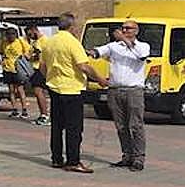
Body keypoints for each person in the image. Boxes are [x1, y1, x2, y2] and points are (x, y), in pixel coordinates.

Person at [39, 13, 107, 173]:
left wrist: (50, 77)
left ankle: (56, 159)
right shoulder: (72, 42)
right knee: (74, 128)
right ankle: (73, 161)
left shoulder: (49, 42)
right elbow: (84, 66)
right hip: (72, 89)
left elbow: (42, 67)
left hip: (54, 88)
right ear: (71, 26)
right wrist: (100, 79)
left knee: (57, 126)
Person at [87, 20, 150, 172]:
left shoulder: (143, 46)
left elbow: (141, 57)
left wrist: (124, 40)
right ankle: (127, 155)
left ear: (136, 30)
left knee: (135, 125)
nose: (124, 30)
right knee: (121, 126)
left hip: (133, 91)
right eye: (122, 28)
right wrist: (89, 52)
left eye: (128, 28)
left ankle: (138, 158)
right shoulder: (114, 46)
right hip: (115, 90)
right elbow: (98, 52)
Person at [0, 28, 29, 118]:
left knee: (20, 90)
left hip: (18, 69)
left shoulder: (20, 41)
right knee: (11, 90)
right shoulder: (4, 43)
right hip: (7, 69)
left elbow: (28, 51)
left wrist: (24, 58)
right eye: (8, 35)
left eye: (12, 34)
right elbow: (0, 52)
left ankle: (24, 110)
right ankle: (14, 109)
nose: (10, 36)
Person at [25, 25, 51, 125]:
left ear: (34, 30)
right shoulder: (35, 42)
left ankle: (44, 115)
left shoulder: (43, 40)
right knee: (38, 92)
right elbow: (29, 56)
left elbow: (39, 55)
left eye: (30, 34)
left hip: (41, 69)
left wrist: (33, 56)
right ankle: (43, 114)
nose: (30, 36)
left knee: (38, 91)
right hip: (35, 69)